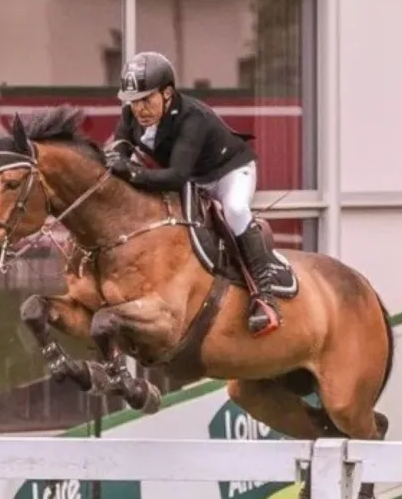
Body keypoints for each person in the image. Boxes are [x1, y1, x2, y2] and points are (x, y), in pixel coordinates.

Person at [105, 51, 287, 337]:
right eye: (133, 101)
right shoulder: (131, 114)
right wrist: (115, 159)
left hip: (229, 172)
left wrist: (129, 172)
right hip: (194, 178)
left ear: (167, 93)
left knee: (236, 210)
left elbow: (176, 176)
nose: (139, 109)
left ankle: (265, 297)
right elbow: (120, 146)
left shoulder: (193, 118)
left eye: (146, 99)